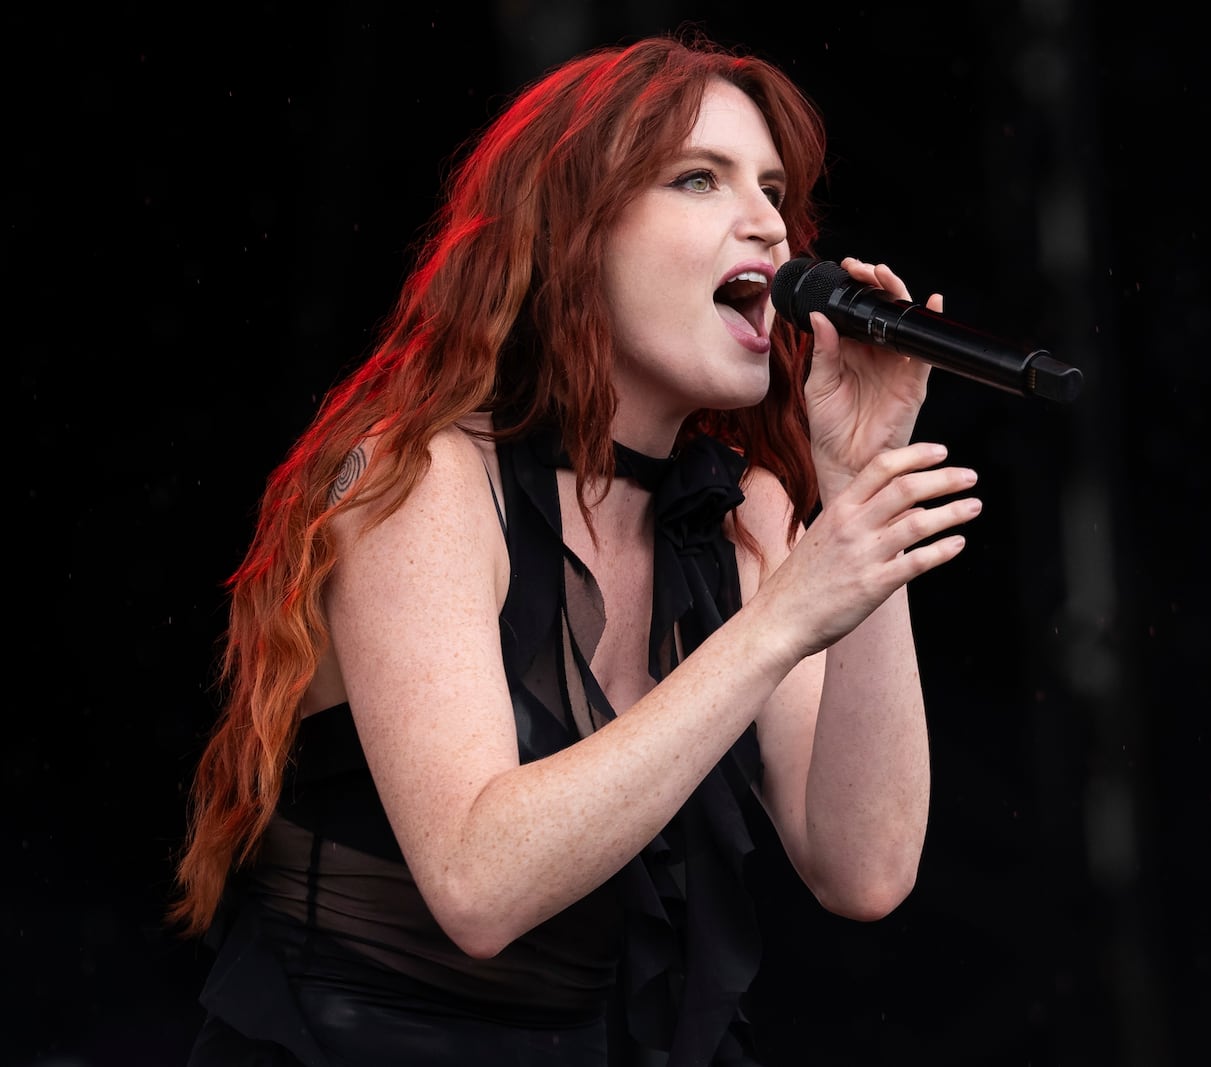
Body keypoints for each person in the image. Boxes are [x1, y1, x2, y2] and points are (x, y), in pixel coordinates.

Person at [170, 29, 981, 1067]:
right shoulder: (419, 481)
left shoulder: (747, 512)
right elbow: (478, 882)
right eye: (699, 178)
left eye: (775, 190)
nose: (770, 227)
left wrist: (862, 487)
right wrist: (782, 619)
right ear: (573, 234)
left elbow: (863, 867)